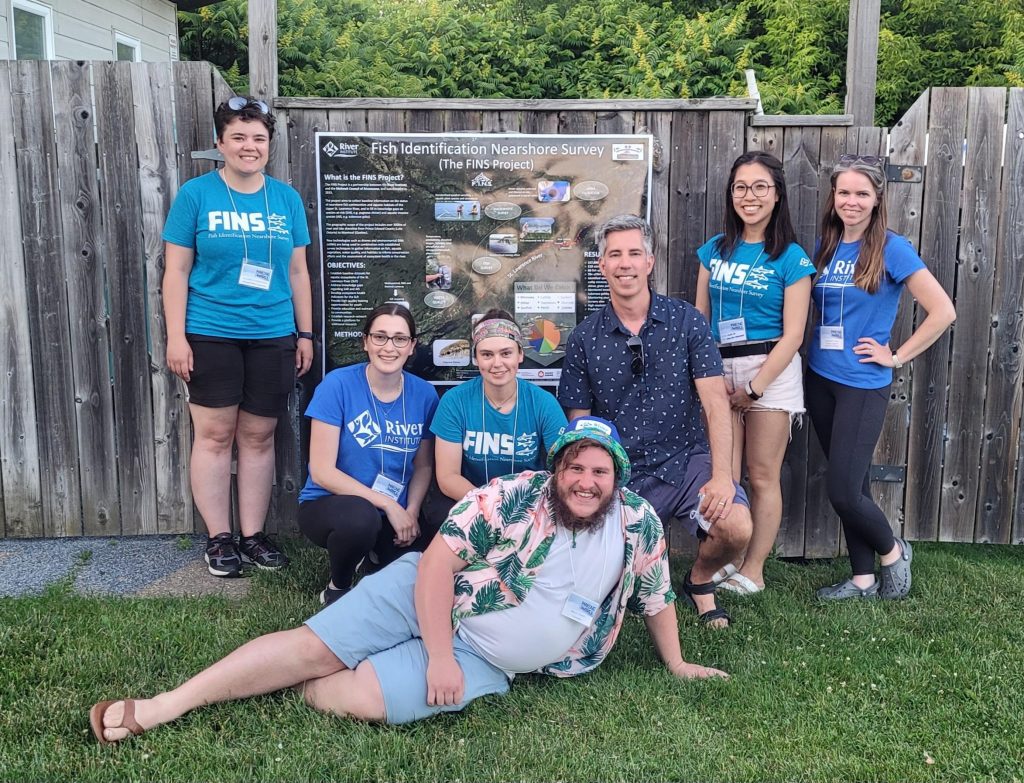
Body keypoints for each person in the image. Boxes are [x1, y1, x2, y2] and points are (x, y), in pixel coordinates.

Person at [89, 416, 726, 742]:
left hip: (490, 661)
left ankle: (314, 673)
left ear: (617, 478)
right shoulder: (511, 495)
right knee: (313, 647)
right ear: (556, 469)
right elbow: (441, 563)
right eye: (574, 468)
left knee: (361, 700)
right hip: (429, 593)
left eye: (599, 472)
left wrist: (675, 664)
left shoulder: (637, 525)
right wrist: (438, 656)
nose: (585, 483)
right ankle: (165, 706)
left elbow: (656, 598)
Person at [558, 214, 752, 628]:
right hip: (620, 469)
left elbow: (716, 405)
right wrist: (592, 486)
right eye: (615, 255)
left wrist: (722, 477)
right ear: (602, 265)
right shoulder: (583, 338)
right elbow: (581, 427)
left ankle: (700, 581)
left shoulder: (687, 321)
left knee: (736, 527)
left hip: (684, 461)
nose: (625, 263)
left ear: (649, 261)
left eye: (634, 253)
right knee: (598, 579)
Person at [162, 96, 313, 578]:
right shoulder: (196, 195)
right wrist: (176, 337)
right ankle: (219, 538)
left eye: (259, 138)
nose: (250, 146)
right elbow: (175, 270)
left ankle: (252, 535)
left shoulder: (286, 199)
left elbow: (298, 272)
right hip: (210, 333)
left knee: (259, 436)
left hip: (273, 333)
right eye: (239, 137)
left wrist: (305, 334)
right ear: (220, 142)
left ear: (269, 144)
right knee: (214, 436)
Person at [807, 154, 955, 600]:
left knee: (843, 491)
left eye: (861, 194)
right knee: (855, 484)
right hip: (820, 377)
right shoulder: (827, 245)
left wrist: (897, 356)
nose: (851, 201)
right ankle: (862, 579)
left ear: (877, 198)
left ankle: (893, 552)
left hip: (862, 384)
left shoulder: (892, 248)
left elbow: (943, 311)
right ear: (834, 196)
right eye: (844, 192)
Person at [694, 152, 815, 595]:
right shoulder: (714, 250)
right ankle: (724, 558)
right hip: (718, 369)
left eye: (760, 187)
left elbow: (795, 334)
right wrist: (710, 375)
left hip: (770, 371)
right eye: (741, 187)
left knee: (762, 476)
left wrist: (754, 387)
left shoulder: (792, 258)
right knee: (724, 474)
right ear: (731, 194)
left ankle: (754, 570)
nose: (750, 196)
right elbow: (700, 318)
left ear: (777, 194)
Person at [298, 304, 439, 606]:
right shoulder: (338, 385)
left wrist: (411, 511)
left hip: (395, 510)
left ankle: (373, 557)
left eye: (399, 339)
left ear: (412, 346)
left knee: (418, 571)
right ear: (365, 341)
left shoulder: (424, 394)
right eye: (380, 337)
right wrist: (388, 504)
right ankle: (338, 586)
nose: (389, 347)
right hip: (331, 504)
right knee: (360, 520)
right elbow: (321, 470)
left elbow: (423, 465)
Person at [425, 308, 567, 523]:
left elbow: (563, 468)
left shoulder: (543, 403)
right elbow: (447, 477)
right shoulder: (454, 401)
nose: (497, 363)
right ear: (476, 358)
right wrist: (491, 506)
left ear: (520, 355)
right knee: (440, 512)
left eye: (506, 353)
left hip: (527, 504)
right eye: (487, 355)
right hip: (472, 499)